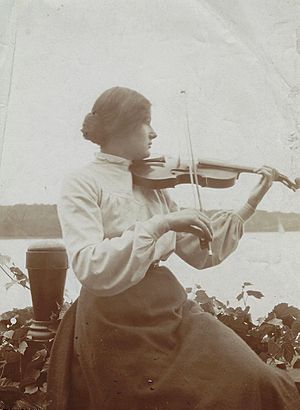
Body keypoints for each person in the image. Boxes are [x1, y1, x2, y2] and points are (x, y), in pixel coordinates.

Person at [47, 86, 300, 409]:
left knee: (256, 379)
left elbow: (200, 252)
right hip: (115, 322)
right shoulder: (82, 182)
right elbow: (89, 266)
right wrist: (162, 224)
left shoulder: (153, 184)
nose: (154, 133)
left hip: (169, 309)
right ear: (122, 125)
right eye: (146, 123)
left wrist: (252, 200)